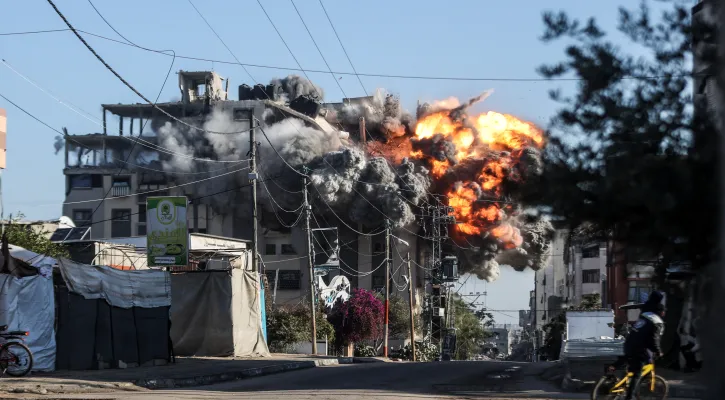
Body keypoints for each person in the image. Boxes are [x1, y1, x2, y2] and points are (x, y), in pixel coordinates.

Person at [620, 302, 666, 400]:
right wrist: (658, 351)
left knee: (630, 366)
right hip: (638, 348)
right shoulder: (655, 322)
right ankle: (629, 396)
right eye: (663, 311)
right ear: (660, 312)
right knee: (637, 373)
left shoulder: (643, 319)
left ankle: (621, 384)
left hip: (628, 344)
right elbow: (653, 340)